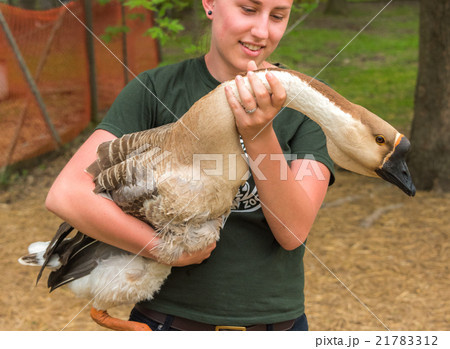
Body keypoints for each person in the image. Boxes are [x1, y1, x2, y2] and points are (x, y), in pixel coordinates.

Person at [45, 0, 334, 331]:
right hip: (169, 323)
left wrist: (258, 135)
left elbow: (292, 231)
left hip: (276, 326)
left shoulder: (303, 106)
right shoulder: (155, 90)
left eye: (278, 16)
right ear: (210, 4)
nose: (262, 30)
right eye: (248, 9)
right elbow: (66, 194)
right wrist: (170, 251)